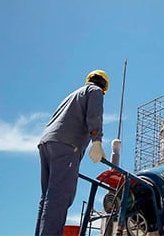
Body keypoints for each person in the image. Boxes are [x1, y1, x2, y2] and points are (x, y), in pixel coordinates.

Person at [35, 70, 109, 236]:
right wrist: (96, 141)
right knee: (60, 195)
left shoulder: (72, 95)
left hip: (46, 143)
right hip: (66, 145)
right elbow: (94, 115)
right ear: (104, 86)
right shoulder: (95, 91)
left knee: (47, 196)